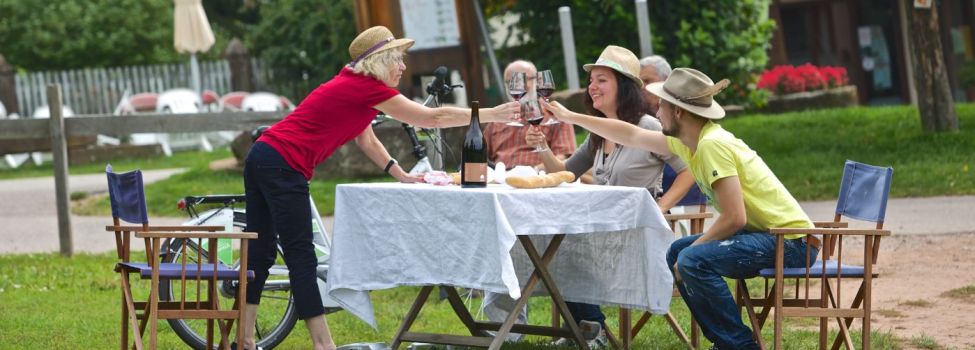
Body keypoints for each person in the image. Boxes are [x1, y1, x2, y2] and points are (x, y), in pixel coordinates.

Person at [241, 26, 518, 350]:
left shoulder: (355, 85)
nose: (403, 67)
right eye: (398, 60)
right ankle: (323, 345)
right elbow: (433, 117)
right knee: (302, 257)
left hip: (263, 155)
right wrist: (490, 113)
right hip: (282, 164)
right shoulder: (367, 88)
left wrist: (397, 172)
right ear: (381, 61)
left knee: (259, 254)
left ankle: (244, 340)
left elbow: (365, 137)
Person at [539, 67, 819, 350]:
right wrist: (570, 117)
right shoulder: (690, 142)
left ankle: (740, 345)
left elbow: (735, 217)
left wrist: (695, 246)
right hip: (769, 237)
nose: (656, 111)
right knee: (677, 252)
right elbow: (631, 135)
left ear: (679, 113)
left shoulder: (712, 145)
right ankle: (725, 342)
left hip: (792, 242)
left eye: (662, 105)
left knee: (690, 258)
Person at [526, 45, 694, 347]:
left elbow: (689, 170)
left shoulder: (647, 126)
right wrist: (541, 146)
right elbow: (565, 172)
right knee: (551, 245)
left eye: (602, 79)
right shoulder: (599, 133)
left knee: (560, 249)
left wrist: (661, 206)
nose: (592, 86)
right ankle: (586, 328)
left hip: (636, 232)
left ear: (624, 87)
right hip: (601, 230)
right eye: (591, 80)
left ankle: (591, 330)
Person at [483, 60, 576, 169]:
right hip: (501, 181)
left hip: (538, 180)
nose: (519, 86)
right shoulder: (496, 121)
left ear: (537, 81)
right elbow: (479, 156)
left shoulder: (555, 116)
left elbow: (565, 158)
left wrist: (531, 171)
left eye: (524, 79)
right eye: (512, 81)